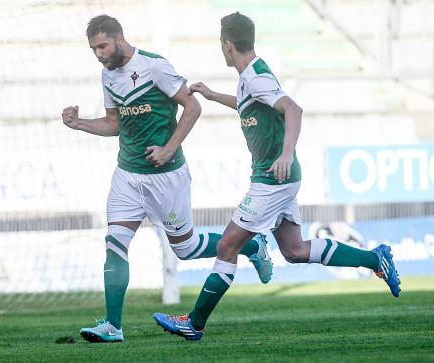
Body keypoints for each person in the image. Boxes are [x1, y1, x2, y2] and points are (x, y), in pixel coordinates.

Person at [153, 12, 401, 341]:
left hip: (272, 179)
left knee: (228, 246)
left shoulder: (255, 76)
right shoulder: (251, 75)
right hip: (279, 178)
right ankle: (375, 259)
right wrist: (213, 95)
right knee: (295, 250)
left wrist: (286, 152)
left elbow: (293, 109)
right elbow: (250, 103)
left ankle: (194, 323)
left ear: (228, 45)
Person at [61, 15, 274, 343]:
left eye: (102, 45)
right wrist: (81, 124)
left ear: (119, 38)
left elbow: (192, 107)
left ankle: (250, 244)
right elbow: (114, 124)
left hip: (166, 177)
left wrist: (168, 147)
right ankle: (113, 326)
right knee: (114, 242)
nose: (99, 54)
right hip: (127, 176)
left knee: (185, 249)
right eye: (93, 49)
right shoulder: (107, 76)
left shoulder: (154, 66)